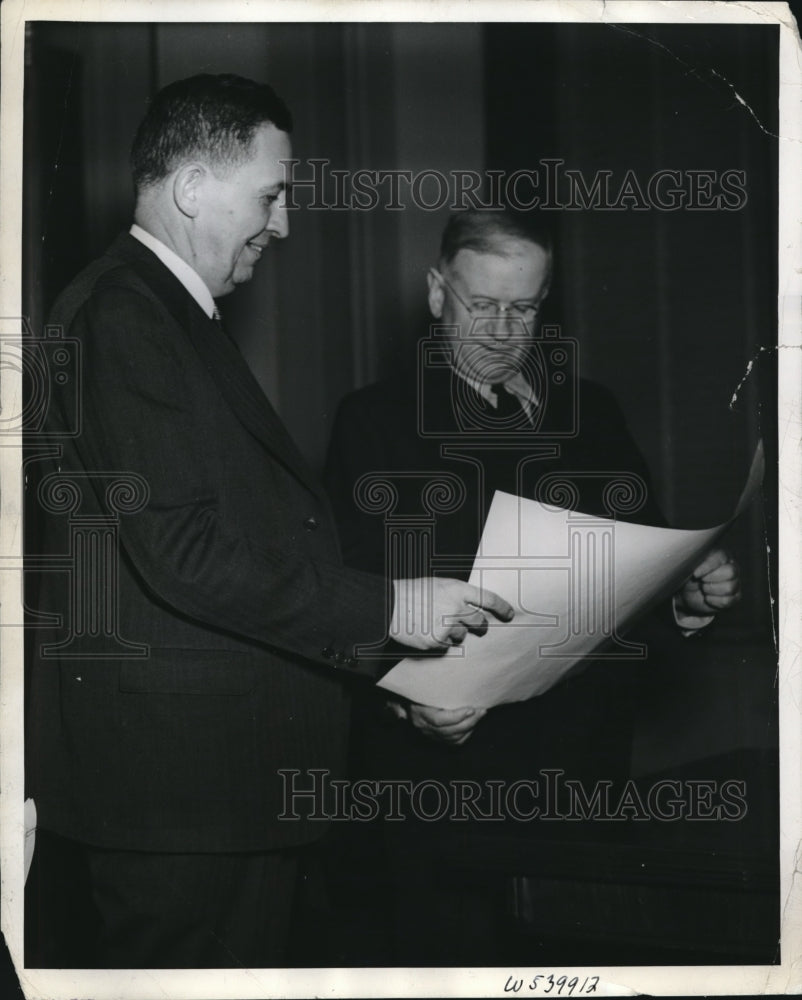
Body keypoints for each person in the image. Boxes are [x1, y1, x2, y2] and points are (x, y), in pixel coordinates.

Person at [24, 76, 513, 970]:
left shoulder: (164, 313)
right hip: (182, 798)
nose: (281, 224)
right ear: (191, 189)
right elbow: (185, 553)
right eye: (271, 194)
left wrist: (398, 672)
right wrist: (391, 611)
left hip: (213, 787)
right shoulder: (125, 314)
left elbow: (251, 547)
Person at [324, 208, 741, 963]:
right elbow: (348, 597)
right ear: (435, 292)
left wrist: (684, 597)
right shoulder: (373, 421)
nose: (502, 331)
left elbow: (636, 561)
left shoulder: (593, 414)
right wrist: (402, 697)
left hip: (581, 766)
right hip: (442, 774)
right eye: (482, 304)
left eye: (524, 308)